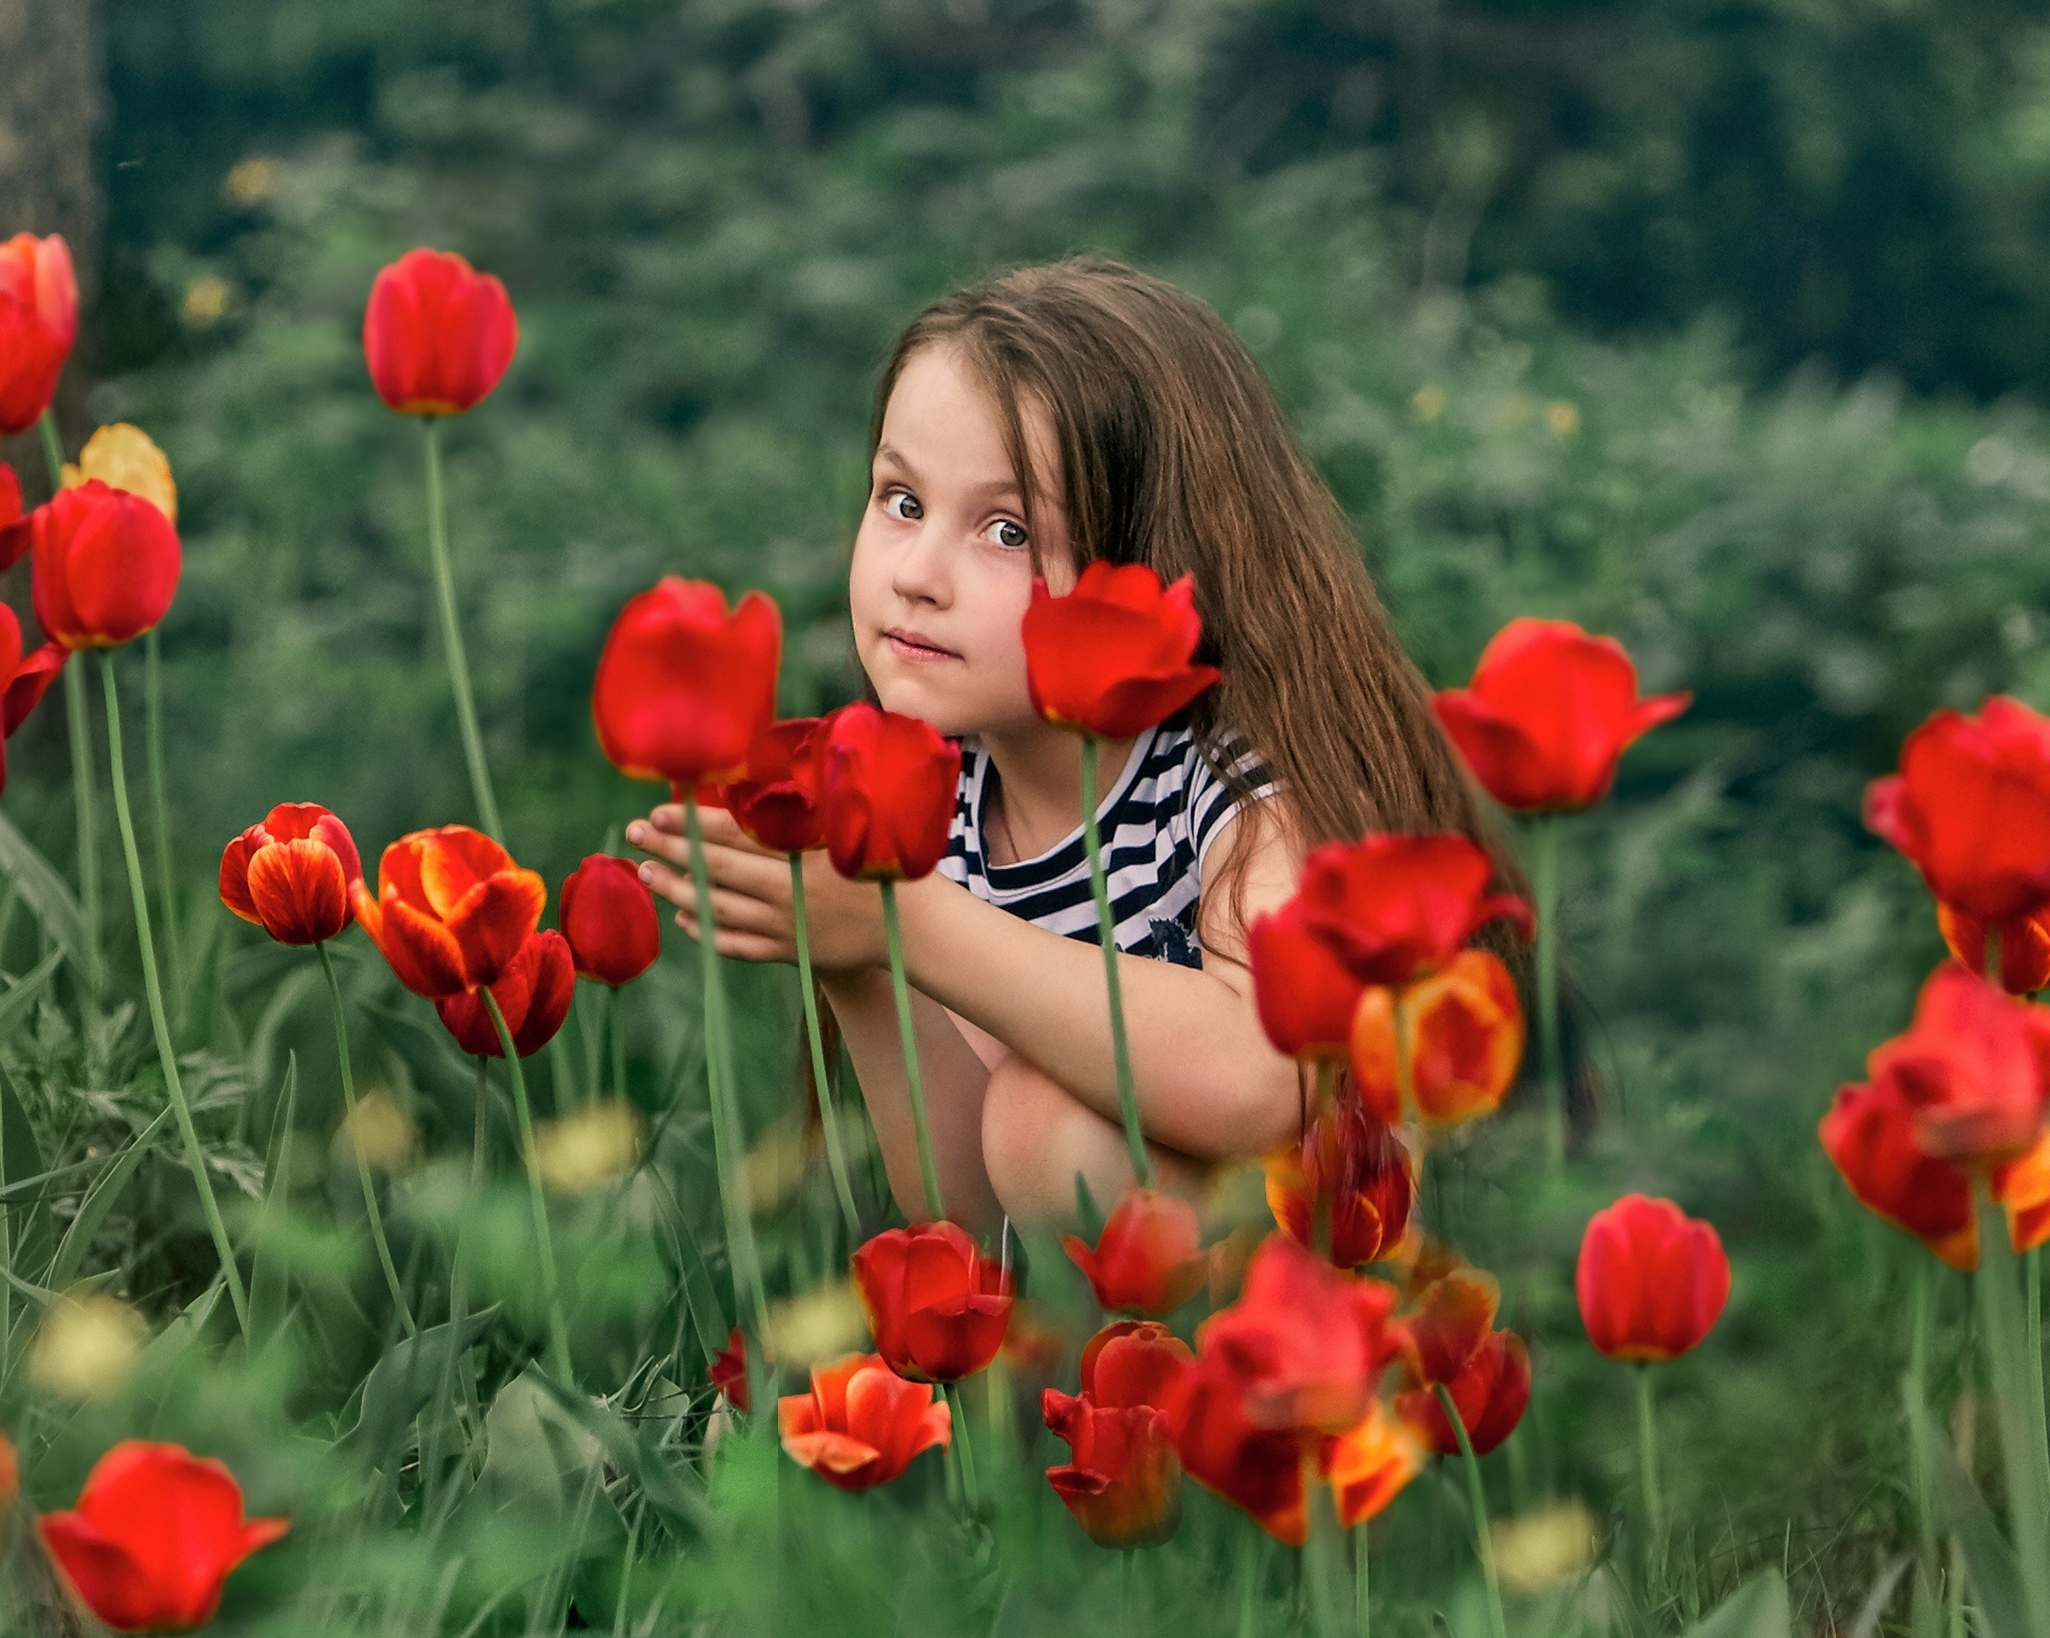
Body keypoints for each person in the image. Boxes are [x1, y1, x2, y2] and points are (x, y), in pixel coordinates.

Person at [627, 257, 1507, 1231]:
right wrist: (854, 961)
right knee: (1029, 1129)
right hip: (1083, 1318)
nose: (916, 573)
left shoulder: (1221, 782)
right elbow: (968, 1221)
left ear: (1151, 559)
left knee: (1047, 1124)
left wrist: (903, 926)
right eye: (901, 501)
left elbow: (1266, 1075)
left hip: (1300, 1305)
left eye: (1006, 531)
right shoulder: (937, 802)